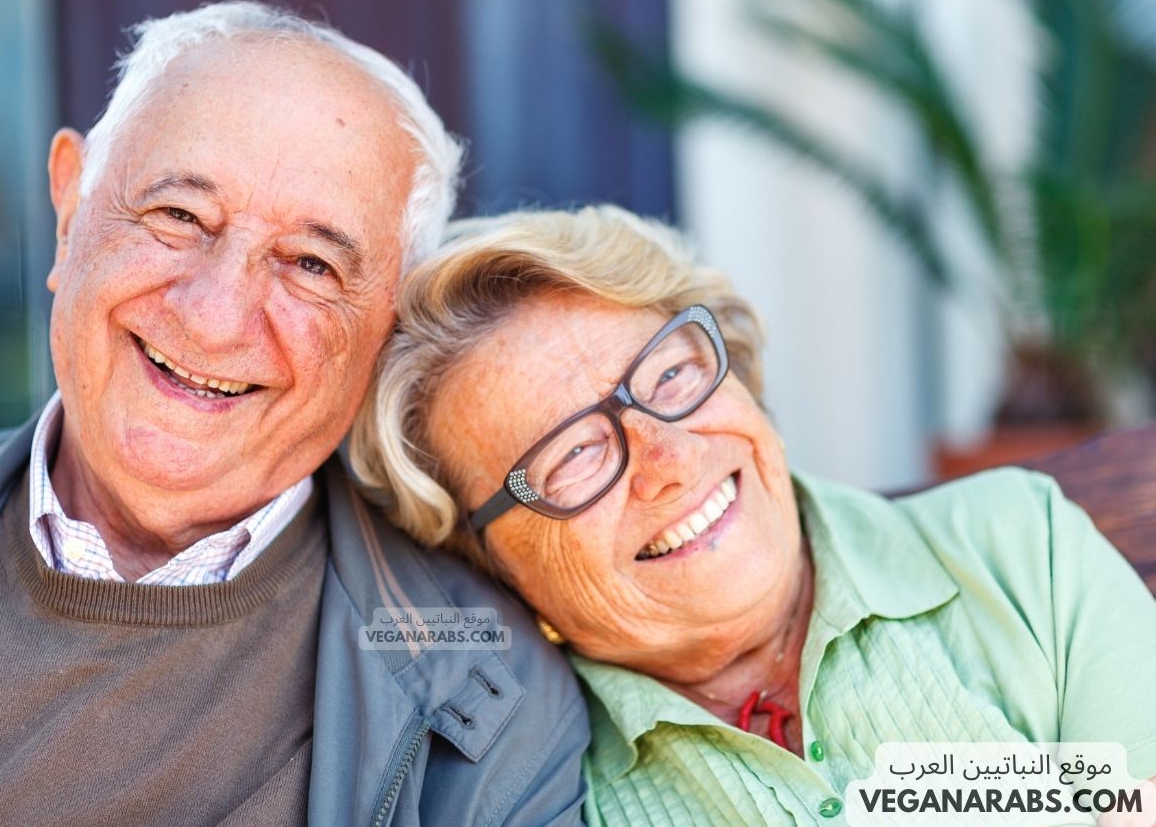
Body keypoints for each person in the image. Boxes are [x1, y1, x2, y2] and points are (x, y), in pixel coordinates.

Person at [0, 1, 589, 826]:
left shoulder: (490, 700)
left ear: (388, 328)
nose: (215, 315)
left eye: (310, 265)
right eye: (178, 215)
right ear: (72, 209)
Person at [351, 205, 1156, 826]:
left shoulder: (1017, 544)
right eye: (573, 455)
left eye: (668, 375)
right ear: (492, 558)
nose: (668, 458)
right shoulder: (546, 784)